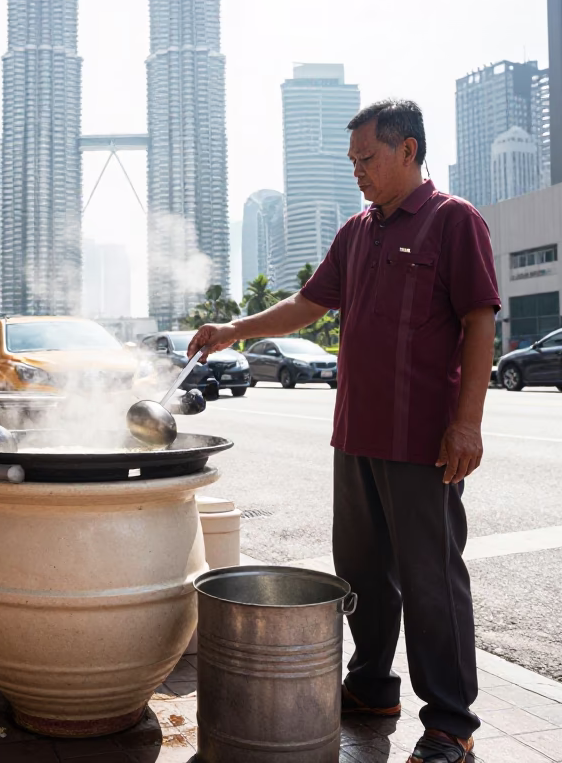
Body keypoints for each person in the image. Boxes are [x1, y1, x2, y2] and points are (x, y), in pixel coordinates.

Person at [189, 100, 499, 763]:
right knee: (361, 570)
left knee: (430, 580)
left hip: (422, 440)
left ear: (408, 150)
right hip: (355, 432)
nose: (358, 172)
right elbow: (309, 304)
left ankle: (450, 725)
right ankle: (371, 687)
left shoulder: (453, 221)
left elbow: (479, 321)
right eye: (353, 161)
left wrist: (467, 423)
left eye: (369, 158)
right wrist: (231, 330)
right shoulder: (357, 231)